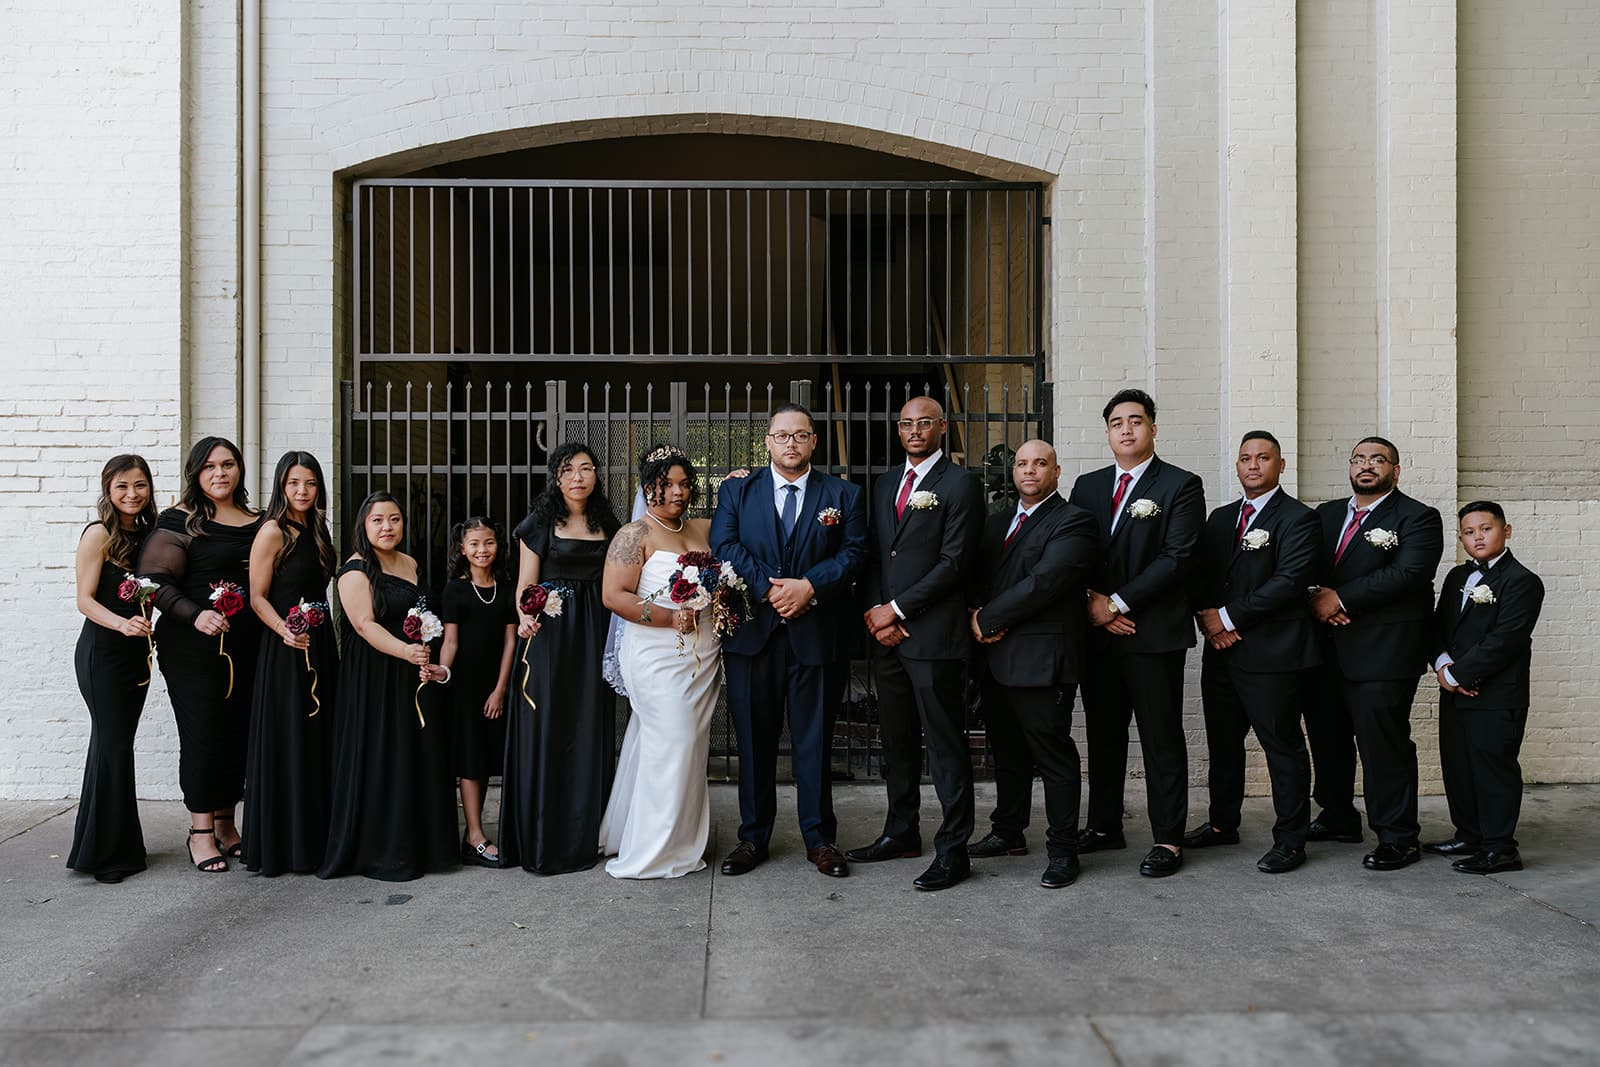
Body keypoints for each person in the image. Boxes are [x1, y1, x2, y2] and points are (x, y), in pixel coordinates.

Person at [711, 403, 867, 879]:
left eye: (801, 435)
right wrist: (773, 588)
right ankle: (752, 837)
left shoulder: (844, 493)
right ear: (768, 443)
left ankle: (820, 839)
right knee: (754, 743)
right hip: (754, 635)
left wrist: (810, 586)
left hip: (816, 634)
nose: (791, 443)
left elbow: (856, 552)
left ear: (813, 442)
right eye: (782, 436)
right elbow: (725, 544)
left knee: (814, 741)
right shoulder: (738, 491)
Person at [847, 396, 985, 892]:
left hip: (933, 637)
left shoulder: (961, 484)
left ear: (942, 428)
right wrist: (876, 615)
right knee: (898, 743)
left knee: (945, 747)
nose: (914, 431)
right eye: (906, 423)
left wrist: (898, 610)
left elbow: (954, 563)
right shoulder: (885, 483)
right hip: (888, 640)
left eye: (924, 422)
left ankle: (954, 850)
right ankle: (902, 832)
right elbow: (876, 556)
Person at [1067, 389, 1205, 878]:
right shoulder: (1087, 486)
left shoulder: (1181, 485)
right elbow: (1071, 551)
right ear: (1107, 432)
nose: (1126, 429)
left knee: (1160, 737)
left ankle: (1168, 837)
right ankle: (1105, 826)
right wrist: (1090, 604)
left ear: (1152, 428)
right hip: (1097, 635)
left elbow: (1178, 557)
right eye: (1117, 423)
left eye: (1136, 421)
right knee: (1103, 735)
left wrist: (1117, 604)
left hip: (1152, 634)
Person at [1185, 432, 1321, 874]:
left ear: (1280, 465)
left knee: (1282, 746)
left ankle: (1291, 839)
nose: (1253, 465)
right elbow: (1200, 573)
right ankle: (1223, 823)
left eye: (1263, 458)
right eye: (1245, 458)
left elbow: (1288, 582)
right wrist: (1210, 619)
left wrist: (1227, 618)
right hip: (1221, 653)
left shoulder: (1299, 519)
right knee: (1224, 745)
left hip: (1272, 656)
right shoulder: (1222, 519)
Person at [1307, 436, 1444, 871]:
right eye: (1360, 459)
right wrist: (1315, 596)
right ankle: (1338, 816)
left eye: (1378, 460)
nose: (1367, 466)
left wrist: (1340, 600)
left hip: (1384, 653)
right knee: (1327, 739)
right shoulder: (1326, 515)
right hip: (1326, 650)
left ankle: (1398, 836)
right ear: (1350, 467)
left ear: (1395, 471)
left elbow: (1409, 573)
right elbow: (1303, 565)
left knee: (1382, 746)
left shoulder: (1418, 517)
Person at [966, 440, 1098, 888]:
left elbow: (1046, 582)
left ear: (1056, 471)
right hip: (995, 655)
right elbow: (979, 577)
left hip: (1042, 658)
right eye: (1022, 464)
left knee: (1053, 754)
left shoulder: (1073, 521)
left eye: (1040, 463)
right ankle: (1008, 831)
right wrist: (977, 615)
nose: (1029, 471)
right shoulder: (998, 521)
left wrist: (987, 618)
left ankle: (1063, 848)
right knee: (1006, 752)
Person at [138, 437, 264, 873]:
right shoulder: (181, 521)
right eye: (209, 466)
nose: (220, 473)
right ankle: (200, 831)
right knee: (203, 733)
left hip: (248, 642)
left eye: (228, 465)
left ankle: (228, 824)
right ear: (195, 473)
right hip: (193, 645)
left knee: (238, 732)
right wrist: (196, 616)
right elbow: (151, 583)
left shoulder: (258, 520)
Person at [318, 492, 459, 881]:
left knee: (414, 754)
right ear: (364, 525)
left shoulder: (410, 563)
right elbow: (364, 625)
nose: (387, 527)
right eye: (378, 520)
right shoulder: (354, 571)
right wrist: (406, 652)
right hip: (375, 676)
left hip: (414, 675)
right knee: (383, 754)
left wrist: (426, 656)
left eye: (394, 519)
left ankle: (423, 846)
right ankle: (383, 849)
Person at [598, 447, 723, 879]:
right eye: (666, 484)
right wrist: (670, 617)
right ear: (647, 486)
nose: (677, 492)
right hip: (655, 652)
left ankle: (680, 838)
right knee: (674, 738)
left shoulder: (702, 529)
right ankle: (652, 848)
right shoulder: (634, 536)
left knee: (687, 746)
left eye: (684, 484)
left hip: (702, 652)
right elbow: (614, 596)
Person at [501, 442, 621, 875]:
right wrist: (525, 616)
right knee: (548, 727)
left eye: (586, 468)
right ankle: (541, 838)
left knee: (588, 726)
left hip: (595, 632)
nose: (578, 477)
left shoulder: (608, 523)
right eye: (568, 470)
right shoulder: (538, 524)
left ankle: (584, 835)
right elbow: (524, 585)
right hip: (550, 634)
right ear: (556, 477)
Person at [1426, 501, 1545, 875]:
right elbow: (1437, 628)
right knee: (1458, 766)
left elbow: (1505, 640)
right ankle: (1469, 834)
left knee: (1493, 769)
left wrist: (1459, 675)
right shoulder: (1456, 578)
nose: (1477, 537)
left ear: (1506, 531)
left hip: (1496, 695)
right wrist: (1444, 667)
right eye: (1468, 532)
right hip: (1455, 689)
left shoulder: (1523, 581)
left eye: (1485, 529)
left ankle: (1500, 847)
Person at [243, 451, 339, 875]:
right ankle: (286, 845)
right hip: (287, 647)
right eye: (294, 483)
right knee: (291, 738)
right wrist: (284, 629)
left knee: (319, 738)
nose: (302, 491)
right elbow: (257, 596)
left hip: (321, 644)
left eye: (310, 484)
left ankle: (317, 839)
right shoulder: (272, 531)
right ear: (282, 486)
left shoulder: (317, 528)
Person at [68, 454, 159, 883]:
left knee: (115, 744)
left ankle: (110, 845)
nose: (132, 494)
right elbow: (85, 600)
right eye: (122, 486)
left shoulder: (148, 536)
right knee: (112, 744)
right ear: (108, 489)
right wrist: (123, 623)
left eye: (139, 485)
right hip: (102, 652)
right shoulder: (98, 534)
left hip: (134, 656)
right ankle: (104, 856)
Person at [438, 517, 516, 867]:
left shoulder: (506, 585)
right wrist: (442, 673)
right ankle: (474, 836)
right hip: (465, 687)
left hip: (494, 684)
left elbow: (510, 641)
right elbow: (450, 640)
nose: (482, 550)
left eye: (488, 543)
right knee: (470, 760)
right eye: (474, 544)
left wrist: (500, 689)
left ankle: (475, 834)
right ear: (462, 549)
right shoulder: (455, 589)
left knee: (484, 759)